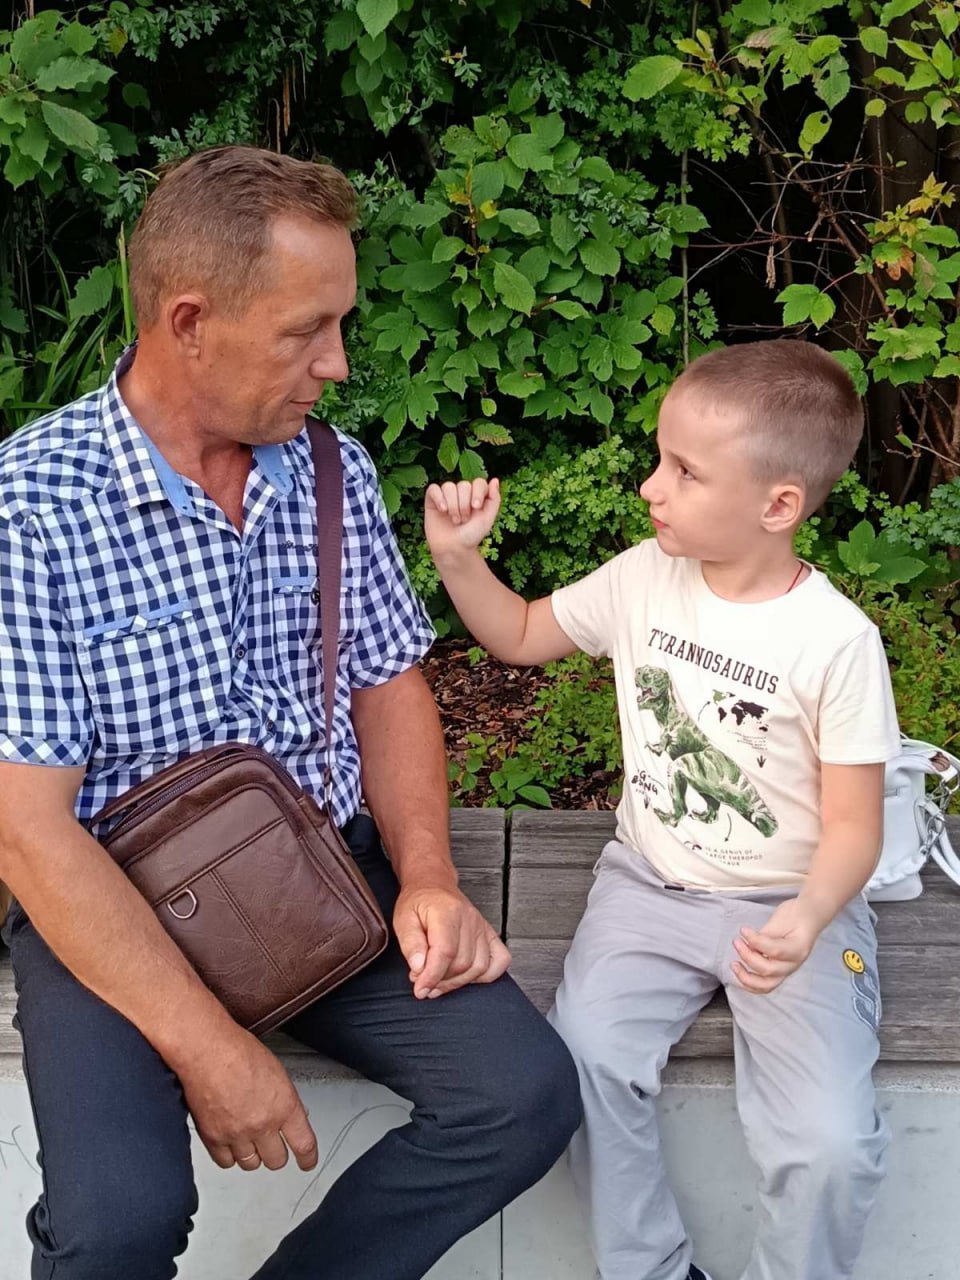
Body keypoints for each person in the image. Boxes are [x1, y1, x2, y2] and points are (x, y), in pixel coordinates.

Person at [0, 145, 580, 1280]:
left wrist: (427, 877)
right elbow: (28, 832)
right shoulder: (30, 507)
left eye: (341, 324)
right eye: (306, 330)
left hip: (316, 868)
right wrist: (212, 1049)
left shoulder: (329, 470)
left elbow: (387, 683)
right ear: (189, 321)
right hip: (108, 895)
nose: (338, 363)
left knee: (521, 1096)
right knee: (118, 1222)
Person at [424, 339, 900, 1280]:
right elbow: (521, 633)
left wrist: (810, 916)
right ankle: (651, 1269)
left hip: (793, 910)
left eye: (685, 471)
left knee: (831, 1144)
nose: (651, 487)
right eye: (659, 460)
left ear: (778, 506)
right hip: (649, 888)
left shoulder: (837, 643)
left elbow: (856, 826)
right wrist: (456, 558)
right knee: (581, 1064)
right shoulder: (645, 575)